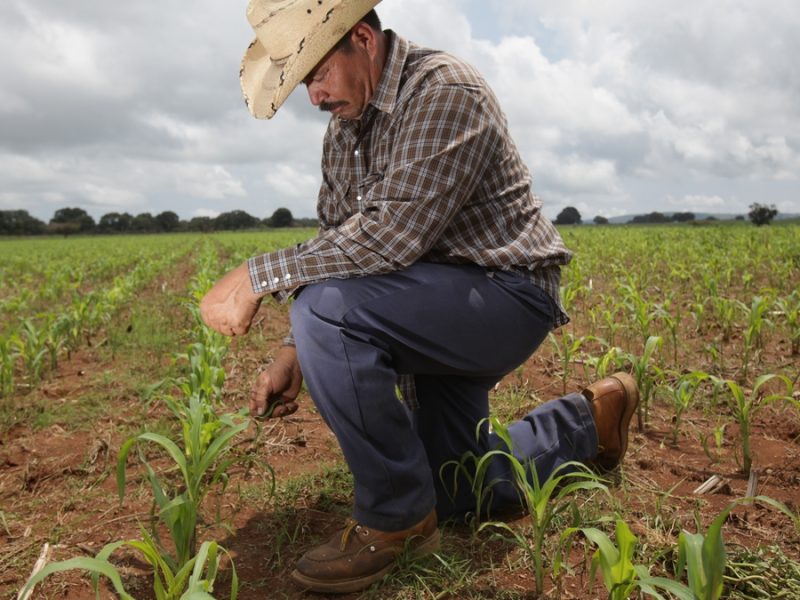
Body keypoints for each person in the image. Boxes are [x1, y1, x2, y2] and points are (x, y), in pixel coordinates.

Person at [200, 0, 639, 593]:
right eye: (304, 81)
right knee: (460, 487)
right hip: (425, 307)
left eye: (318, 73)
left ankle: (395, 518)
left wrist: (257, 275)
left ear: (362, 37)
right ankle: (588, 422)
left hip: (504, 295)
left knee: (326, 310)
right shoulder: (344, 134)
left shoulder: (443, 91)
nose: (314, 96)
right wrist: (292, 351)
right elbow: (339, 243)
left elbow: (388, 239)